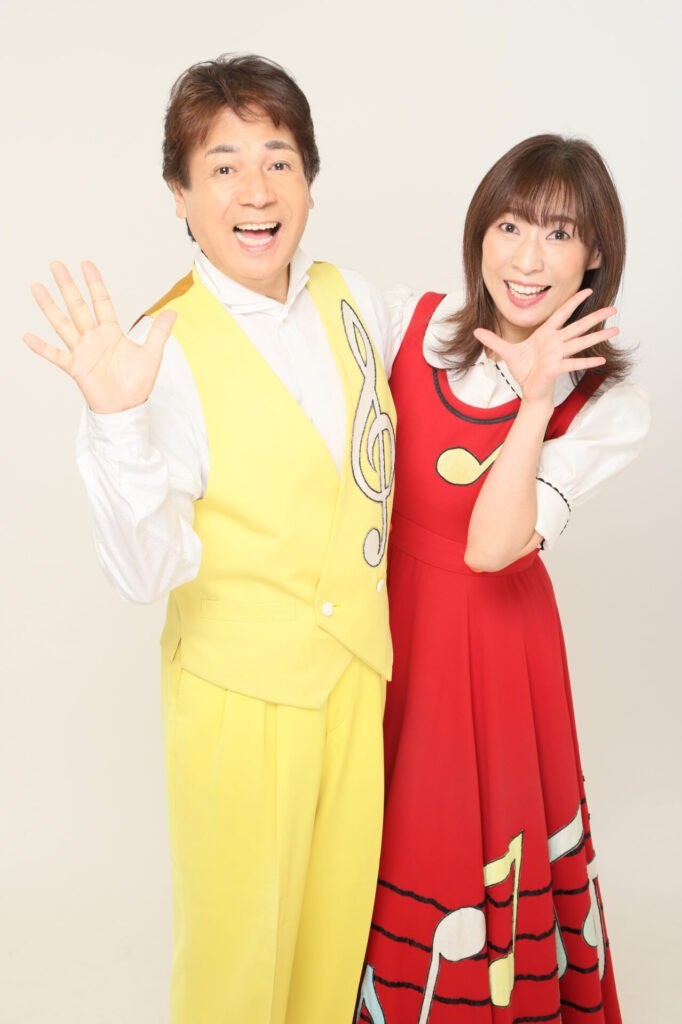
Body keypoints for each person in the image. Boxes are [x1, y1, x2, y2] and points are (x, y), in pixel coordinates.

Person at [23, 54, 397, 1024]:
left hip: (357, 680)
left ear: (310, 181)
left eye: (278, 160)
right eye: (222, 166)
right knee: (238, 967)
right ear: (180, 196)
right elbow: (146, 570)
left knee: (332, 952)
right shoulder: (155, 352)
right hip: (239, 699)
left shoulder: (356, 299)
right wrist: (116, 420)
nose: (255, 191)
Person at [357, 136, 650, 1023]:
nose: (527, 258)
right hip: (381, 627)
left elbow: (490, 548)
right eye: (511, 226)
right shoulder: (406, 323)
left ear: (594, 256)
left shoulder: (606, 407)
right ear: (480, 232)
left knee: (463, 842)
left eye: (559, 234)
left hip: (493, 653)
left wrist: (534, 400)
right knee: (367, 839)